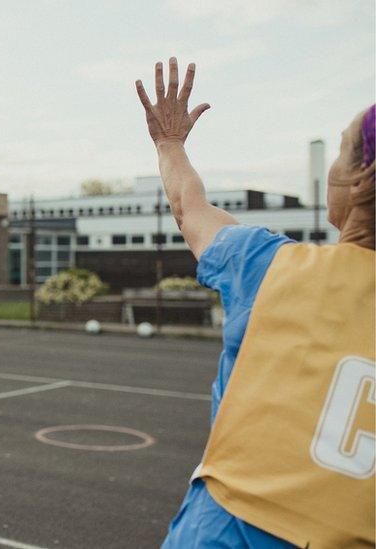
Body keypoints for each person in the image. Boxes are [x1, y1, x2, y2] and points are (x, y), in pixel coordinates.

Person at [135, 57, 374, 548]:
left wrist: (169, 144)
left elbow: (189, 207)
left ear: (358, 180)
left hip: (224, 530)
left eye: (342, 149)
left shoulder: (269, 266)